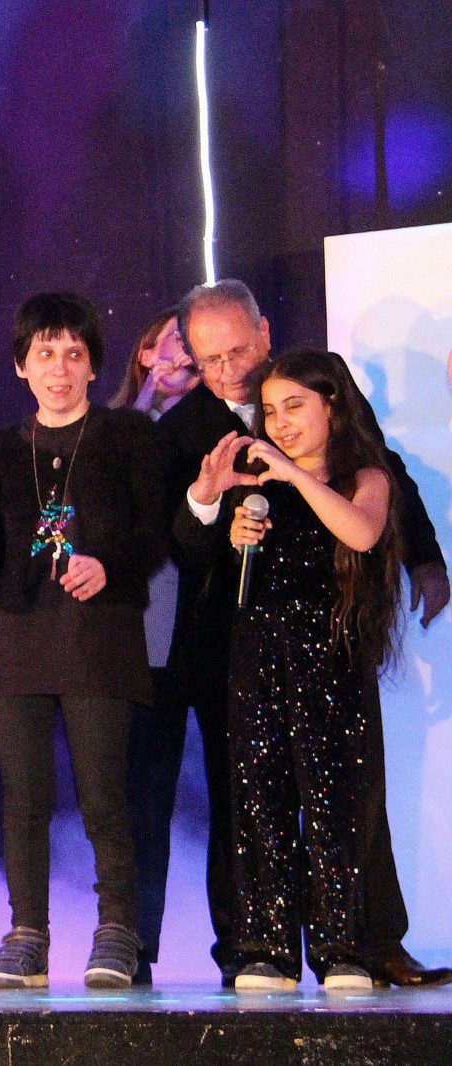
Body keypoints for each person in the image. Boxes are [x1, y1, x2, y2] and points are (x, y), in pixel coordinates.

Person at [159, 280, 448, 986]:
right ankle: (253, 949)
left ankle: (367, 942)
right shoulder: (181, 431)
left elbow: (383, 481)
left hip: (330, 643)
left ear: (263, 332)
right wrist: (213, 507)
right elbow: (180, 543)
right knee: (246, 799)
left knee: (346, 794)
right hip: (237, 645)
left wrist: (426, 559)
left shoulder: (320, 400)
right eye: (210, 359)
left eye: (237, 351)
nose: (228, 370)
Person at [0, 291, 165, 990]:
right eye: (45, 354)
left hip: (99, 641)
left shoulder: (127, 437)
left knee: (103, 796)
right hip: (20, 644)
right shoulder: (2, 450)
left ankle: (118, 931)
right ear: (21, 366)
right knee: (24, 800)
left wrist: (108, 564)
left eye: (73, 354)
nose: (59, 368)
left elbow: (155, 535)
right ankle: (27, 935)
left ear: (93, 365)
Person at [185, 349, 399, 991]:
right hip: (259, 660)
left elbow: (361, 533)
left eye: (294, 406)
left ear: (332, 406)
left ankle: (343, 950)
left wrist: (293, 476)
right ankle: (268, 950)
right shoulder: (259, 486)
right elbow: (216, 572)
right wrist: (235, 531)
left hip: (332, 666)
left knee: (337, 805)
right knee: (260, 800)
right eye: (271, 410)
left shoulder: (365, 476)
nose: (279, 423)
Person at [108, 308, 202, 985]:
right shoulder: (109, 428)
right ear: (144, 350)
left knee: (174, 793)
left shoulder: (211, 427)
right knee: (136, 796)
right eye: (172, 340)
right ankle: (132, 941)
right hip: (138, 636)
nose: (182, 355)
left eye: (195, 347)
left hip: (200, 628)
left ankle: (250, 945)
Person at [107, 308, 199, 419]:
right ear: (146, 357)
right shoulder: (114, 422)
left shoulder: (211, 409)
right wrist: (141, 406)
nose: (191, 346)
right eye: (179, 337)